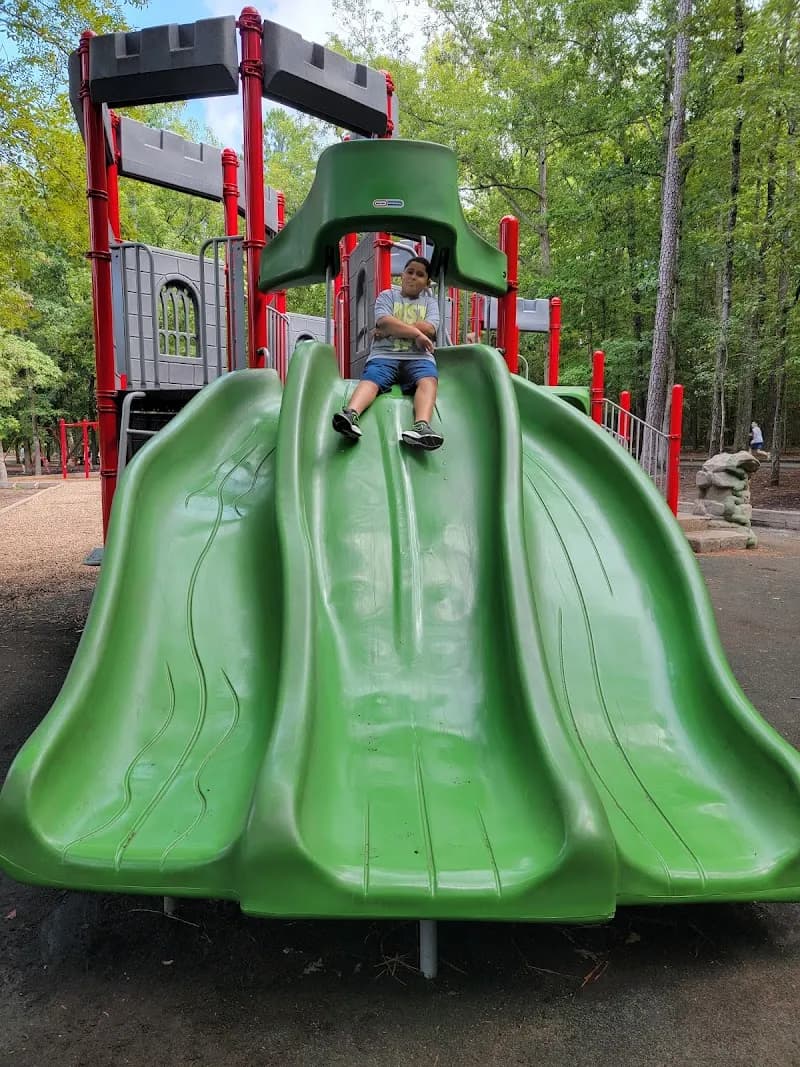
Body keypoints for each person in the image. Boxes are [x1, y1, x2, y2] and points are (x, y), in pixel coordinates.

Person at [332, 256, 444, 450]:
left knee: (429, 380)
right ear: (402, 275)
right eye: (410, 272)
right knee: (371, 379)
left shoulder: (430, 303)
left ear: (427, 283)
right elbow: (384, 321)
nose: (413, 277)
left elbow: (430, 328)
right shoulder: (387, 296)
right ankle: (351, 414)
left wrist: (393, 329)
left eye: (420, 275)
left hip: (418, 357)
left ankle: (422, 426)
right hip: (384, 356)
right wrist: (416, 334)